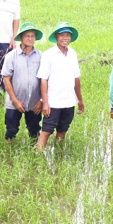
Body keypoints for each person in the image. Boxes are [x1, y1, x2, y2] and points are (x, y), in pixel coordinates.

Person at [37, 22, 84, 150]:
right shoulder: (48, 54)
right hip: (54, 102)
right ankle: (37, 157)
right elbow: (43, 79)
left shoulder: (72, 53)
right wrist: (45, 102)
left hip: (69, 101)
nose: (65, 38)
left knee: (62, 131)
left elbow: (76, 78)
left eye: (68, 35)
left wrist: (79, 99)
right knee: (46, 131)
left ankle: (58, 157)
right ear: (56, 37)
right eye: (62, 35)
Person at [1, 22, 44, 142]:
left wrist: (41, 100)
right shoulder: (11, 56)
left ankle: (34, 153)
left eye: (33, 36)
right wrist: (15, 100)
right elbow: (6, 79)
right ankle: (9, 153)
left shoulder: (41, 56)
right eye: (27, 36)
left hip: (34, 103)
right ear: (21, 38)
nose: (30, 39)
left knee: (34, 129)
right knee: (11, 129)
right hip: (14, 102)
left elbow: (44, 80)